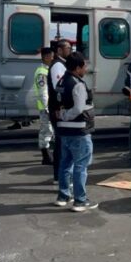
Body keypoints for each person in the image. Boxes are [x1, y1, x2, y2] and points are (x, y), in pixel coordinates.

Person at [53, 52, 98, 212]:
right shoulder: (77, 84)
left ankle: (63, 196)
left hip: (63, 130)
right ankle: (80, 200)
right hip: (79, 130)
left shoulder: (61, 81)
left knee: (65, 163)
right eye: (84, 66)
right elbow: (78, 108)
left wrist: (62, 116)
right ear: (78, 68)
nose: (86, 69)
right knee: (81, 165)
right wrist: (66, 115)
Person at [46, 39, 72, 182]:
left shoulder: (63, 64)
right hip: (57, 109)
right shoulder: (58, 65)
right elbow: (60, 88)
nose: (70, 50)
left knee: (62, 143)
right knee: (61, 143)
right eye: (68, 48)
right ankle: (59, 175)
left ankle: (61, 175)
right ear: (60, 50)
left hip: (59, 109)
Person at [34, 47, 55, 165]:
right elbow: (43, 92)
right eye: (52, 56)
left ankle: (49, 155)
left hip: (48, 106)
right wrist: (47, 108)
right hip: (45, 107)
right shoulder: (42, 72)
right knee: (46, 131)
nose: (53, 58)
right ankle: (46, 156)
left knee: (50, 131)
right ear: (46, 57)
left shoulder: (47, 70)